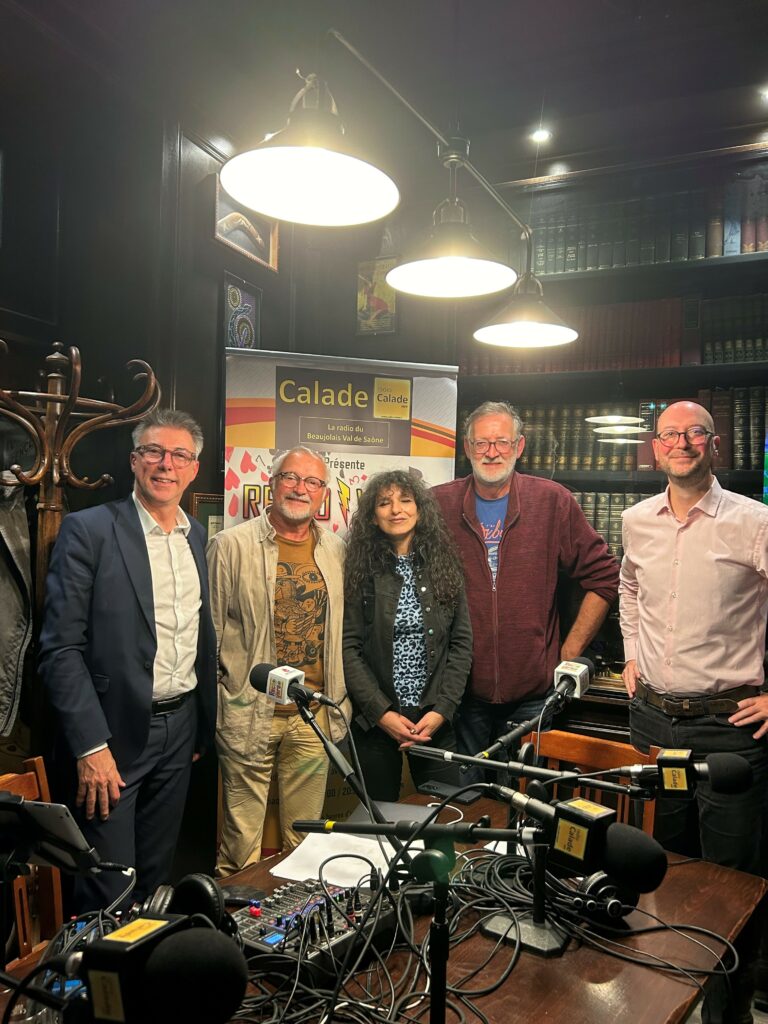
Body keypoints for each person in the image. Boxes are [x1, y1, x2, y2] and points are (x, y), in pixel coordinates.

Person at [620, 400, 768, 1024]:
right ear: (655, 447)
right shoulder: (635, 520)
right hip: (655, 723)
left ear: (714, 443)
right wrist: (631, 651)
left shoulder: (754, 521)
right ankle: (666, 1004)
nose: (681, 443)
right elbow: (629, 586)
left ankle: (726, 1018)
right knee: (663, 872)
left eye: (694, 433)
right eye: (669, 434)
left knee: (730, 885)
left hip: (728, 728)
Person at [38, 409, 217, 912]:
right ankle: (94, 967)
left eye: (179, 455)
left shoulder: (196, 536)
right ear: (135, 461)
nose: (166, 464)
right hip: (112, 736)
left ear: (193, 468)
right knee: (108, 887)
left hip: (181, 729)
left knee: (156, 884)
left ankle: (145, 964)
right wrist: (91, 746)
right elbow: (60, 649)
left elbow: (198, 636)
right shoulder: (89, 530)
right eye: (154, 452)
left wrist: (198, 727)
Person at [432, 401, 619, 763]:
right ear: (467, 448)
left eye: (502, 442)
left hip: (534, 695)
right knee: (466, 793)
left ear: (519, 446)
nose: (492, 452)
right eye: (482, 443)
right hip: (460, 693)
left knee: (524, 794)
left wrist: (570, 650)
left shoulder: (552, 501)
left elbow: (605, 576)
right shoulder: (438, 504)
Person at [207, 446, 347, 875]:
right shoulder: (229, 546)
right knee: (239, 848)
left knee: (305, 845)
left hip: (311, 717)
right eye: (291, 477)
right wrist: (218, 702)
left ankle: (293, 918)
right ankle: (236, 917)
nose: (300, 488)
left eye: (312, 482)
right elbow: (208, 637)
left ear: (323, 493)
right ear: (272, 483)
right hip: (248, 714)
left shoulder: (337, 551)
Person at [342, 470, 473, 802]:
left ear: (420, 510)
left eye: (405, 500)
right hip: (376, 721)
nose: (396, 510)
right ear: (372, 516)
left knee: (447, 816)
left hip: (434, 719)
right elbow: (349, 648)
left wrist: (442, 710)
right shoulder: (359, 568)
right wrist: (381, 713)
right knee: (378, 821)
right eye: (384, 503)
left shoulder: (444, 564)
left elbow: (461, 644)